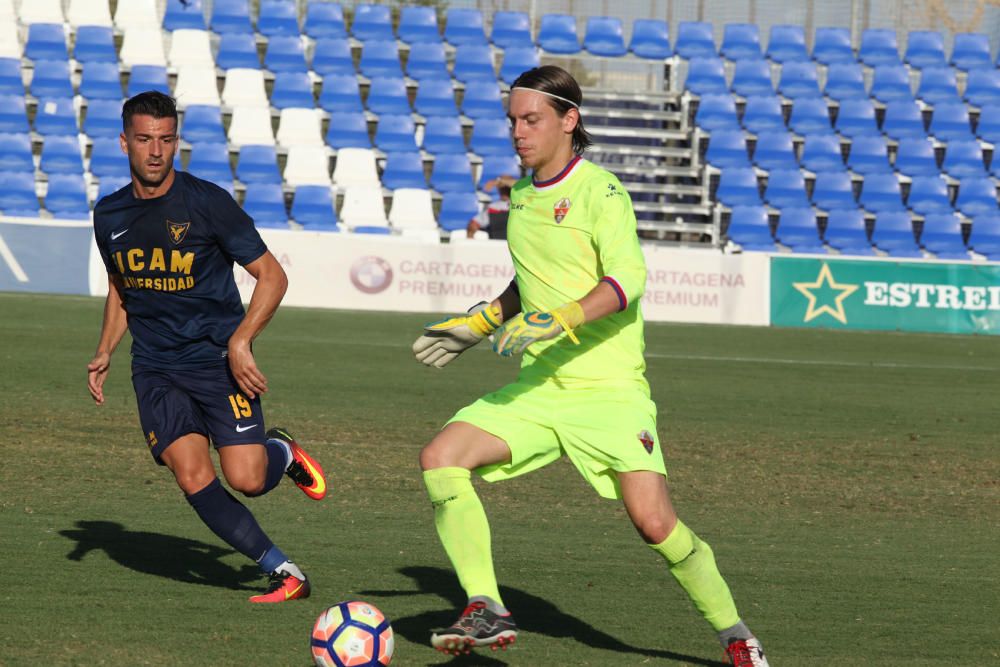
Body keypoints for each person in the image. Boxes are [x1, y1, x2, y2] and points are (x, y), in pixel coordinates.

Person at [411, 66, 769, 666]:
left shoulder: (602, 192)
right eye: (513, 121)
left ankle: (736, 634)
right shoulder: (522, 195)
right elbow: (532, 285)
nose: (519, 133)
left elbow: (628, 280)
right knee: (440, 458)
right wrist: (477, 324)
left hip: (609, 391)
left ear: (568, 120)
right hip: (541, 386)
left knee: (655, 525)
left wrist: (563, 318)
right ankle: (486, 605)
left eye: (532, 120)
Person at [87, 91, 327, 604]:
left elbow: (272, 276)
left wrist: (241, 341)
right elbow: (120, 287)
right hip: (154, 368)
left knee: (246, 478)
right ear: (124, 141)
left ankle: (279, 452)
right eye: (145, 139)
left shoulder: (207, 202)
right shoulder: (108, 215)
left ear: (177, 142)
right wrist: (106, 347)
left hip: (218, 363)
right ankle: (285, 572)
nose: (155, 151)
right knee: (191, 472)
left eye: (166, 140)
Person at [466, 175, 516, 240]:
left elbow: (519, 184)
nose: (504, 188)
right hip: (499, 244)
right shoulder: (493, 207)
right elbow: (473, 224)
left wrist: (500, 181)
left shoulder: (523, 203)